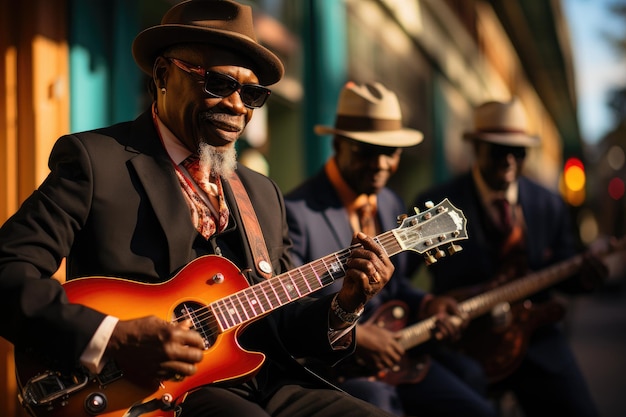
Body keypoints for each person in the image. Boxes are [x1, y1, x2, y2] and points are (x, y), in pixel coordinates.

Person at [0, 2, 400, 417]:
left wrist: (345, 305)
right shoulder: (96, 161)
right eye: (218, 83)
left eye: (252, 93)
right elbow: (8, 270)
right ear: (162, 75)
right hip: (146, 393)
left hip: (264, 382)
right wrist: (113, 337)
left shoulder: (261, 194)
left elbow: (277, 324)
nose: (237, 105)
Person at [284, 81, 497, 417]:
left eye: (391, 152)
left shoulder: (389, 202)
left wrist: (428, 303)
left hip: (396, 359)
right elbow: (290, 308)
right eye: (367, 151)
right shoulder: (295, 211)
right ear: (338, 143)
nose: (381, 163)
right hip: (333, 368)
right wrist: (358, 335)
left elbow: (395, 287)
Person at [410, 98, 609, 417]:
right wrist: (428, 304)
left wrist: (588, 277)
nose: (510, 159)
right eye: (499, 149)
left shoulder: (547, 204)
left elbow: (566, 270)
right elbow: (399, 278)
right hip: (464, 346)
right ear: (476, 147)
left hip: (536, 342)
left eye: (519, 150)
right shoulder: (435, 205)